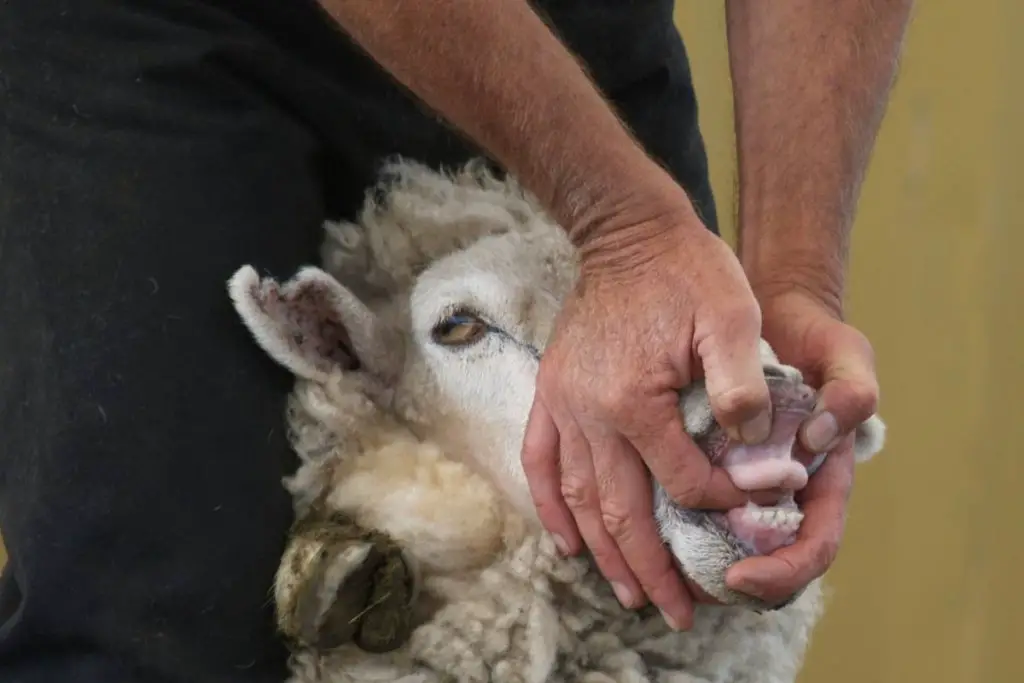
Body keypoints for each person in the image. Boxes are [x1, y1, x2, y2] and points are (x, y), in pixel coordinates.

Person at [0, 0, 912, 681]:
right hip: (148, 33)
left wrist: (791, 280)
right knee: (157, 618)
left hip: (581, 37)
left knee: (654, 604)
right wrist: (625, 224)